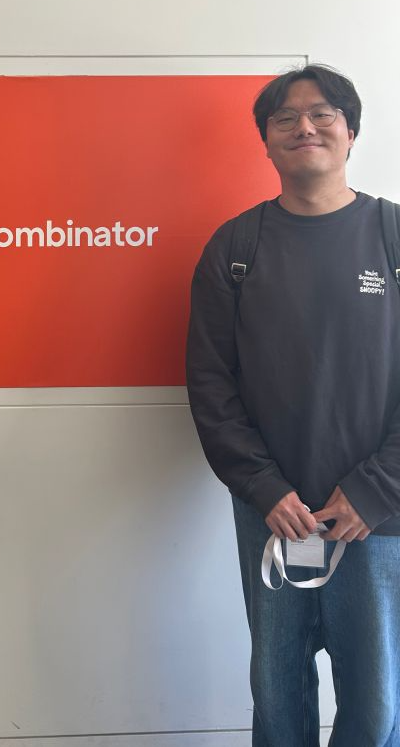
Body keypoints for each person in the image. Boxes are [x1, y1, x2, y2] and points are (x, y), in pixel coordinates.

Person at [187, 65, 400, 745]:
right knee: (279, 701)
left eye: (323, 113)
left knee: (378, 706)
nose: (304, 127)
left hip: (377, 519)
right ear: (267, 141)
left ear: (351, 131)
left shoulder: (394, 236)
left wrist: (376, 490)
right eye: (285, 117)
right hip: (274, 516)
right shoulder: (235, 248)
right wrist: (265, 488)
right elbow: (211, 384)